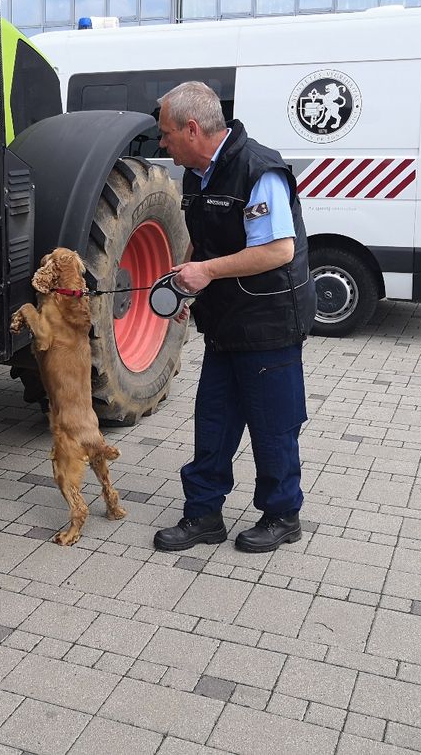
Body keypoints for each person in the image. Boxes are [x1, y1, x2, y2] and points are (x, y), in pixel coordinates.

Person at [151, 81, 316, 554]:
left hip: (268, 322)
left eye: (166, 134)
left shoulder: (258, 170)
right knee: (214, 421)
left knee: (273, 425)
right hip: (225, 323)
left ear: (192, 128)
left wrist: (206, 271)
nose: (162, 143)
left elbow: (278, 250)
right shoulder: (197, 173)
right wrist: (183, 280)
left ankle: (283, 515)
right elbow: (200, 240)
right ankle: (203, 514)